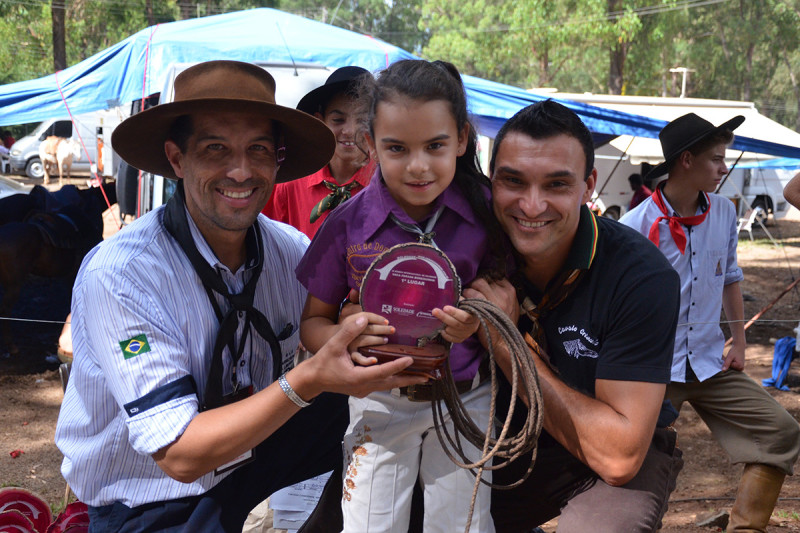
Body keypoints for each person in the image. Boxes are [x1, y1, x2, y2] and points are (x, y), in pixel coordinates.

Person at [54, 60, 426, 533]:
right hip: (155, 503)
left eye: (259, 150)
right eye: (216, 149)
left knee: (388, 418)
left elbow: (341, 322)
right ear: (176, 158)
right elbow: (180, 455)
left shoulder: (290, 252)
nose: (241, 171)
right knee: (321, 390)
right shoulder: (124, 274)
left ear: (277, 160)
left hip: (252, 468)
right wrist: (306, 379)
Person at [296, 59, 506, 533]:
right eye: (396, 148)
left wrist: (479, 322)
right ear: (371, 145)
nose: (418, 166)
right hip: (379, 403)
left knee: (465, 526)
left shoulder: (488, 215)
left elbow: (511, 302)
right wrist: (347, 335)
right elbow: (313, 324)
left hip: (466, 401)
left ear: (462, 140)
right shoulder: (345, 224)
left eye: (435, 146)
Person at [463, 100, 685, 532]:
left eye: (556, 185)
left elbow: (618, 456)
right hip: (500, 444)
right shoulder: (464, 248)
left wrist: (506, 343)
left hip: (609, 451)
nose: (531, 205)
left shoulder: (640, 276)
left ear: (588, 187)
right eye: (513, 181)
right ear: (492, 181)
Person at [620, 112, 800, 533]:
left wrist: (738, 341)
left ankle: (744, 527)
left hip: (708, 362)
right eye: (717, 159)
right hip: (651, 370)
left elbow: (731, 278)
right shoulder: (634, 227)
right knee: (631, 463)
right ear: (686, 160)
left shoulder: (722, 212)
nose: (724, 168)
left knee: (779, 432)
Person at [262, 66, 375, 238]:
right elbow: (268, 240)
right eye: (338, 120)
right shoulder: (290, 182)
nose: (350, 131)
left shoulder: (387, 182)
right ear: (321, 122)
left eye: (362, 120)